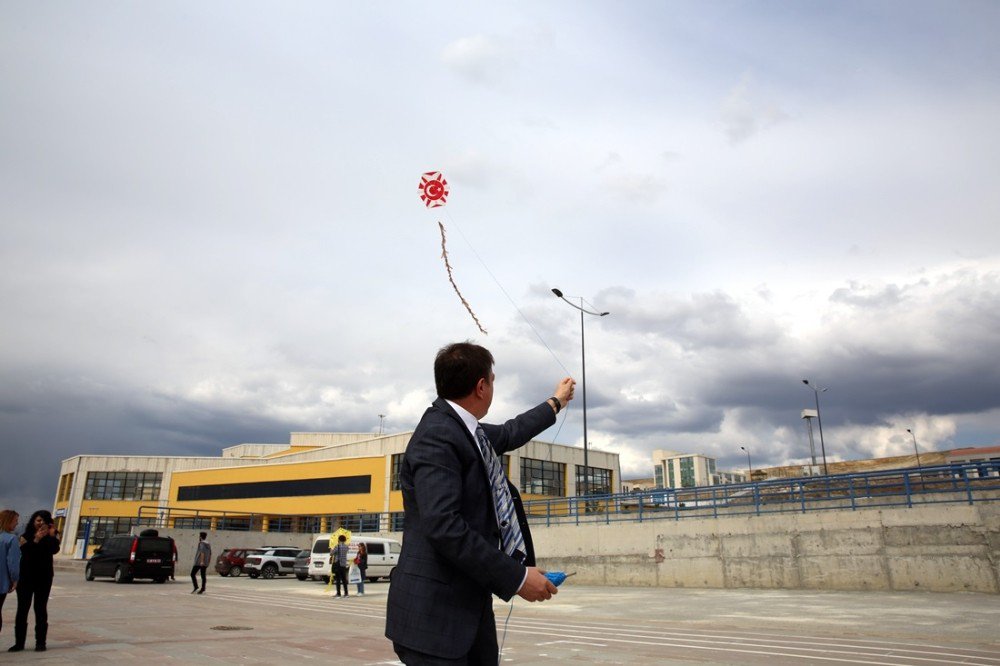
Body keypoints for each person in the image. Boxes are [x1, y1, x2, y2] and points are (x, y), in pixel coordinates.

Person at [385, 341, 575, 664]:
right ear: (482, 386)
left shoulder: (469, 432)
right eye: (493, 379)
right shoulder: (437, 435)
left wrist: (556, 401)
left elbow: (513, 431)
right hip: (435, 622)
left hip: (469, 613)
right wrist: (516, 577)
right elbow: (444, 526)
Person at [10, 509, 60, 653]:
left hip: (44, 578)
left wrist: (52, 535)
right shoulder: (26, 536)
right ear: (33, 521)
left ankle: (40, 642)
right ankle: (19, 643)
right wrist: (36, 539)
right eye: (38, 520)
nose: (41, 523)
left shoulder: (52, 536)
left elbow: (54, 550)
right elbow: (24, 552)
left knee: (40, 609)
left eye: (44, 521)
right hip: (26, 577)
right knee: (22, 609)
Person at [0, 510, 20, 641]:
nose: (17, 524)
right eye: (15, 521)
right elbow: (12, 562)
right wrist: (15, 579)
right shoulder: (11, 539)